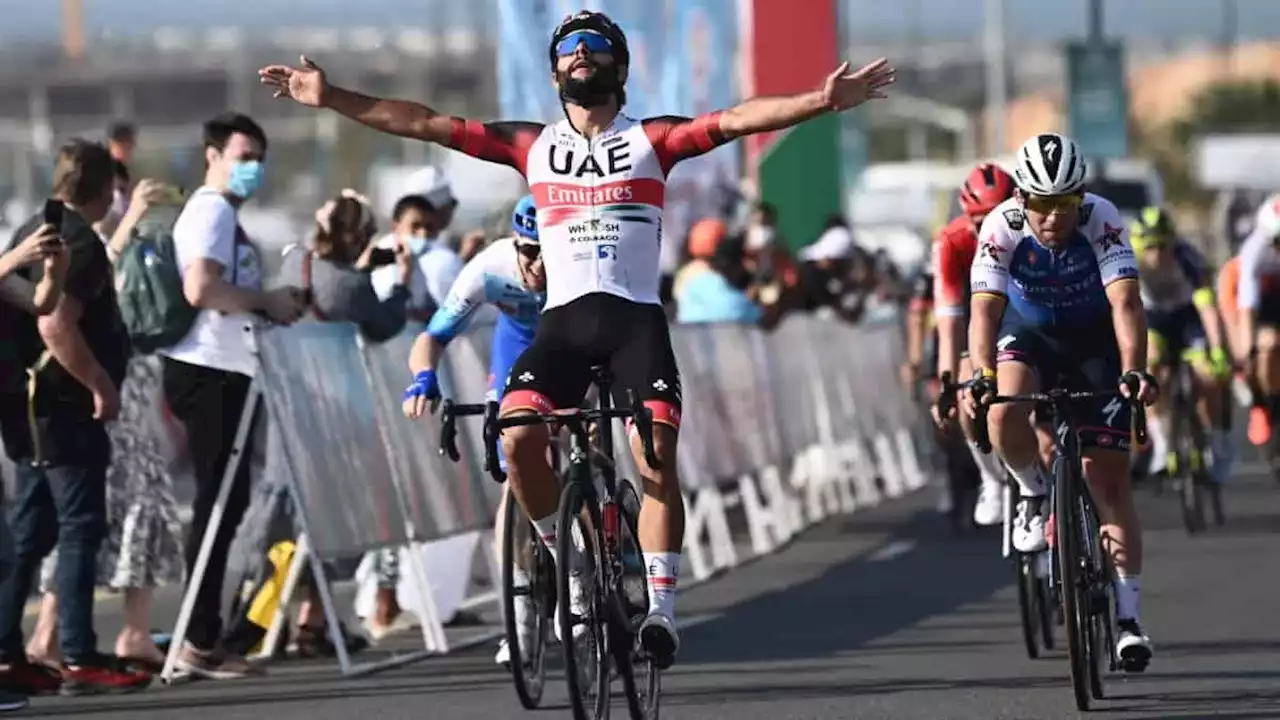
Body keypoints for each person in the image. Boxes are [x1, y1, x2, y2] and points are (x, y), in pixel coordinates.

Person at [260, 10, 894, 668]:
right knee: (517, 436)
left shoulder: (654, 139)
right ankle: (567, 565)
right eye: (568, 49)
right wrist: (332, 97)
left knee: (654, 462)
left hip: (634, 322)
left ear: (620, 68)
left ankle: (662, 612)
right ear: (555, 71)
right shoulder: (531, 146)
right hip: (561, 325)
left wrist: (820, 101)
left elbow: (737, 119)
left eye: (595, 47)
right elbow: (423, 121)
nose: (581, 55)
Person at [964, 132, 1158, 672]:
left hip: (1094, 338)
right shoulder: (1000, 226)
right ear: (1022, 199)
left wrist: (1134, 369)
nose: (1053, 218)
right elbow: (983, 311)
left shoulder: (1103, 218)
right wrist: (981, 374)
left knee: (1109, 480)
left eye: (1065, 205)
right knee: (1002, 408)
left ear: (1081, 199)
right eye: (1042, 205)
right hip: (1029, 333)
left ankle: (1127, 618)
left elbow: (1125, 303)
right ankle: (1031, 491)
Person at [0, 140, 151, 696]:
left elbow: (39, 304)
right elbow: (55, 323)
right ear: (104, 186)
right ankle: (80, 653)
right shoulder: (77, 239)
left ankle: (8, 652)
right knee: (79, 528)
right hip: (60, 408)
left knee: (29, 532)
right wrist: (99, 383)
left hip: (28, 408)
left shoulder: (33, 227)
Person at [160, 112, 307, 679]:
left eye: (258, 158)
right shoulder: (213, 210)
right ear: (213, 156)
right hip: (208, 372)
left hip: (224, 371)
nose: (252, 168)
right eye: (242, 156)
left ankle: (204, 635)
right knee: (219, 506)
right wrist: (265, 300)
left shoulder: (223, 214)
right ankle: (197, 639)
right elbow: (201, 288)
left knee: (227, 504)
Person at [25, 177, 188, 674]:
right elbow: (72, 303)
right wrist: (130, 218)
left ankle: (133, 632)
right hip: (94, 394)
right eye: (112, 189)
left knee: (144, 506)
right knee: (86, 521)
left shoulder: (128, 243)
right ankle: (49, 635)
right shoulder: (78, 245)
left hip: (132, 384)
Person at [402, 194, 546, 665]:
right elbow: (433, 336)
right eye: (529, 251)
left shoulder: (580, 262)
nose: (539, 263)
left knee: (581, 433)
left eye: (550, 250)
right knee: (517, 481)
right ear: (514, 244)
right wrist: (424, 376)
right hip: (517, 349)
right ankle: (521, 614)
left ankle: (585, 566)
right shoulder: (489, 268)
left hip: (572, 347)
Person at [912, 162, 1017, 527]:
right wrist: (946, 385)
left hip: (1022, 314)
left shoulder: (1030, 231)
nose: (989, 229)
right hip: (975, 319)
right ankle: (991, 478)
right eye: (978, 220)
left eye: (996, 218)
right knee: (965, 397)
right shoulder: (951, 244)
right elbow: (950, 321)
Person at [1128, 207, 1233, 482]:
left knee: (1207, 376)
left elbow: (1209, 309)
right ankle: (1162, 441)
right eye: (1150, 247)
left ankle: (1215, 441)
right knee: (1150, 370)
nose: (1157, 254)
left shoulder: (1188, 259)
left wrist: (1219, 351)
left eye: (1163, 246)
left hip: (1188, 318)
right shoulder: (1128, 262)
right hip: (1155, 321)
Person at [1233, 195, 1280, 463]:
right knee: (1262, 347)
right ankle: (1265, 404)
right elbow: (1247, 308)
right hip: (1255, 302)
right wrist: (1248, 352)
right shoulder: (1254, 250)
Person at [369, 193, 463, 322]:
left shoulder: (439, 259)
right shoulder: (380, 256)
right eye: (415, 226)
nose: (423, 234)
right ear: (396, 226)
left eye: (429, 228)